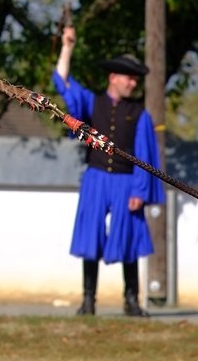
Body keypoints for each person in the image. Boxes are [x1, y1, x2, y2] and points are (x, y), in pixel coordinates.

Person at [52, 25, 164, 317]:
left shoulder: (140, 115)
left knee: (129, 236)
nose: (133, 83)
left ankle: (131, 300)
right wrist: (67, 47)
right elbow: (63, 82)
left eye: (135, 79)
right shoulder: (92, 103)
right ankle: (88, 300)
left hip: (127, 181)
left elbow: (144, 155)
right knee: (90, 234)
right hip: (96, 178)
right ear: (114, 77)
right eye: (129, 78)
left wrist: (140, 190)